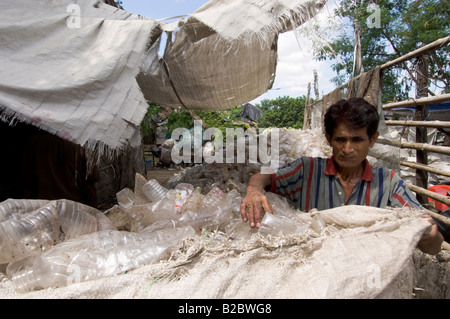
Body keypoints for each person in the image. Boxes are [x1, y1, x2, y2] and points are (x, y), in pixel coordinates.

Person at [240, 98, 444, 255]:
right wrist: (254, 190)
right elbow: (265, 175)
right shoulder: (307, 170)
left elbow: (433, 244)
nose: (348, 149)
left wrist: (428, 236)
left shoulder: (389, 182)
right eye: (340, 139)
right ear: (329, 139)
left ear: (372, 139)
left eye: (357, 140)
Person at [22, 131, 100, 208]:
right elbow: (89, 186)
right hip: (75, 204)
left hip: (46, 206)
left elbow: (27, 183)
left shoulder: (34, 144)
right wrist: (95, 212)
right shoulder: (81, 145)